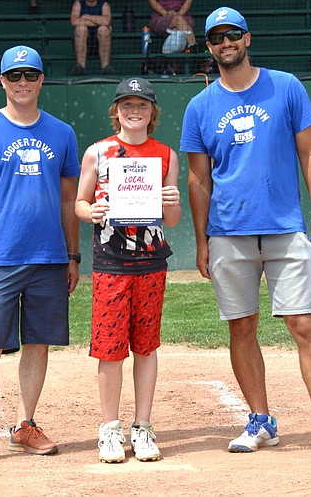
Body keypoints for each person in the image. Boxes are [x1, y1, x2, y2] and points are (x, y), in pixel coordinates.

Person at [180, 6, 311, 461]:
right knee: (242, 327)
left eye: (233, 34)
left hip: (284, 227)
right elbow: (198, 180)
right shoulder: (200, 106)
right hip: (228, 232)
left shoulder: (286, 86)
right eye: (217, 37)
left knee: (303, 324)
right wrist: (201, 240)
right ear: (209, 46)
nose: (226, 43)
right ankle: (261, 421)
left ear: (247, 38)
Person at [0, 45, 81, 466]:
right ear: (2, 81)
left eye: (30, 75)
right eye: (15, 76)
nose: (23, 83)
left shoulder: (61, 133)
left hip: (48, 257)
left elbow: (68, 201)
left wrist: (72, 255)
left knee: (39, 344)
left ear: (42, 79)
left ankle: (25, 425)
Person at [75, 77, 181, 463]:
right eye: (126, 105)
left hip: (151, 260)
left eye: (142, 105)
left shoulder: (166, 154)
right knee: (110, 347)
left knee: (146, 345)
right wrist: (93, 211)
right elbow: (79, 205)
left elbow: (172, 219)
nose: (134, 111)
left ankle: (143, 426)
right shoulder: (98, 152)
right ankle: (109, 429)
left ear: (153, 112)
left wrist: (171, 199)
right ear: (115, 110)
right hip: (111, 260)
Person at [70, 0, 114, 76]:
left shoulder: (104, 5)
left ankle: (105, 68)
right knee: (81, 29)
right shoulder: (78, 4)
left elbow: (106, 22)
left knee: (103, 29)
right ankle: (80, 67)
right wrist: (98, 20)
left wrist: (86, 17)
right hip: (82, 41)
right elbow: (74, 21)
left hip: (100, 41)